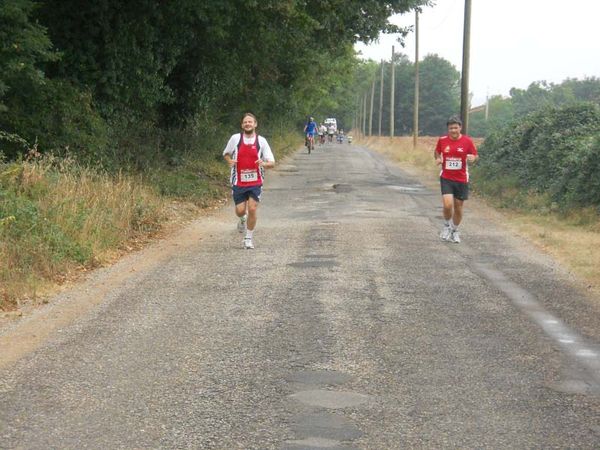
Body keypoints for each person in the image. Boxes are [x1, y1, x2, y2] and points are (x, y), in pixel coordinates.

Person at [223, 113, 275, 249]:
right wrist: (230, 161)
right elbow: (226, 153)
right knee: (240, 210)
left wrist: (263, 163)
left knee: (252, 208)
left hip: (255, 181)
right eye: (245, 122)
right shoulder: (235, 138)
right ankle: (242, 219)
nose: (247, 124)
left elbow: (272, 162)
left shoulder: (261, 141)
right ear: (242, 125)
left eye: (250, 122)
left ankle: (248, 239)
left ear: (255, 124)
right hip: (238, 181)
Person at [434, 116, 478, 244]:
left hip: (462, 178)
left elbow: (475, 155)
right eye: (451, 128)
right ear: (448, 129)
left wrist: (473, 158)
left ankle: (455, 230)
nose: (453, 130)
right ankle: (447, 226)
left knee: (458, 207)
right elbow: (437, 152)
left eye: (456, 128)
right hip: (446, 177)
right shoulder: (442, 141)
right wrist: (438, 158)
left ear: (460, 128)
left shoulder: (467, 141)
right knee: (448, 205)